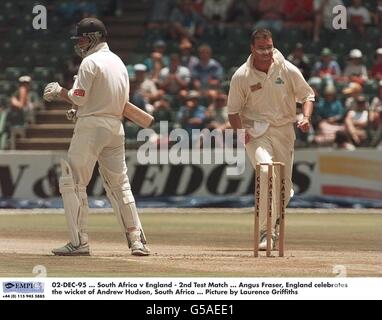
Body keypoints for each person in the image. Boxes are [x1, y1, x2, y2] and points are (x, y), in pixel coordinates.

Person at [43, 17, 150, 256]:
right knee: (120, 184)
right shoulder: (119, 63)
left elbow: (79, 96)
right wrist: (80, 109)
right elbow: (105, 100)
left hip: (92, 128)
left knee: (72, 182)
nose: (79, 43)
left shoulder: (90, 62)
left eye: (82, 38)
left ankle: (79, 242)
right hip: (115, 127)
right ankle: (137, 240)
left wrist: (60, 92)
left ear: (93, 38)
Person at [227, 29, 315, 250]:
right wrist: (240, 132)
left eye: (269, 47)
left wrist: (305, 117)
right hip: (255, 132)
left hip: (284, 130)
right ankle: (266, 233)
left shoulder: (287, 69)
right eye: (261, 48)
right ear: (252, 49)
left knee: (284, 187)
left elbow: (307, 95)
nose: (266, 52)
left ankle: (274, 220)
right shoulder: (242, 75)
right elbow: (233, 112)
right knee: (265, 171)